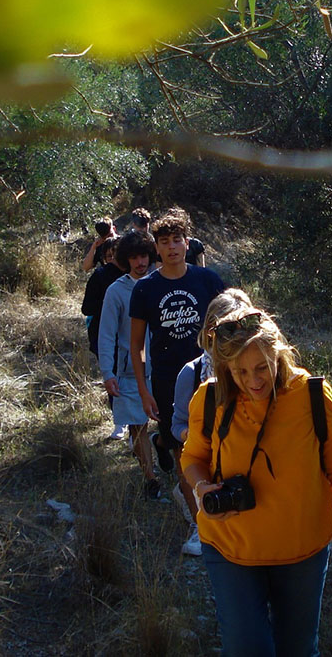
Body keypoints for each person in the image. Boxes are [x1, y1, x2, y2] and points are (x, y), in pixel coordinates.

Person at [181, 306, 332, 656]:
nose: (253, 380)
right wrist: (202, 489)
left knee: (297, 649)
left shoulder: (311, 396)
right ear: (226, 367)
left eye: (263, 367)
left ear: (279, 354)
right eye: (240, 371)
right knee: (249, 649)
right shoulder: (210, 397)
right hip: (230, 547)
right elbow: (192, 458)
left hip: (302, 550)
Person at [129, 207, 225, 493]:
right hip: (167, 380)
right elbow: (136, 345)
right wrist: (144, 392)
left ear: (187, 242)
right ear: (156, 247)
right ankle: (197, 523)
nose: (171, 247)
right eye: (164, 242)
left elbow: (228, 328)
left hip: (209, 376)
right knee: (183, 450)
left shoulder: (208, 281)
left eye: (176, 239)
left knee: (217, 442)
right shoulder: (146, 288)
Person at [170, 287, 256, 556]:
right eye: (226, 328)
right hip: (210, 460)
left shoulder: (263, 371)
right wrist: (200, 438)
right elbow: (177, 425)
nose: (234, 337)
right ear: (210, 331)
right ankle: (200, 525)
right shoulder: (192, 374)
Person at [98, 230, 160, 489]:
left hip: (164, 366)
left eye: (143, 255)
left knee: (171, 422)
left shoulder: (162, 282)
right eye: (133, 257)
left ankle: (164, 447)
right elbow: (107, 333)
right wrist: (107, 372)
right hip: (131, 370)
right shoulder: (116, 291)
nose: (140, 262)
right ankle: (151, 479)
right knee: (138, 426)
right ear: (126, 260)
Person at [81, 238, 122, 363]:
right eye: (109, 256)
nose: (112, 259)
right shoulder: (100, 275)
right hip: (103, 335)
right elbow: (87, 308)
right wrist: (109, 303)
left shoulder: (134, 274)